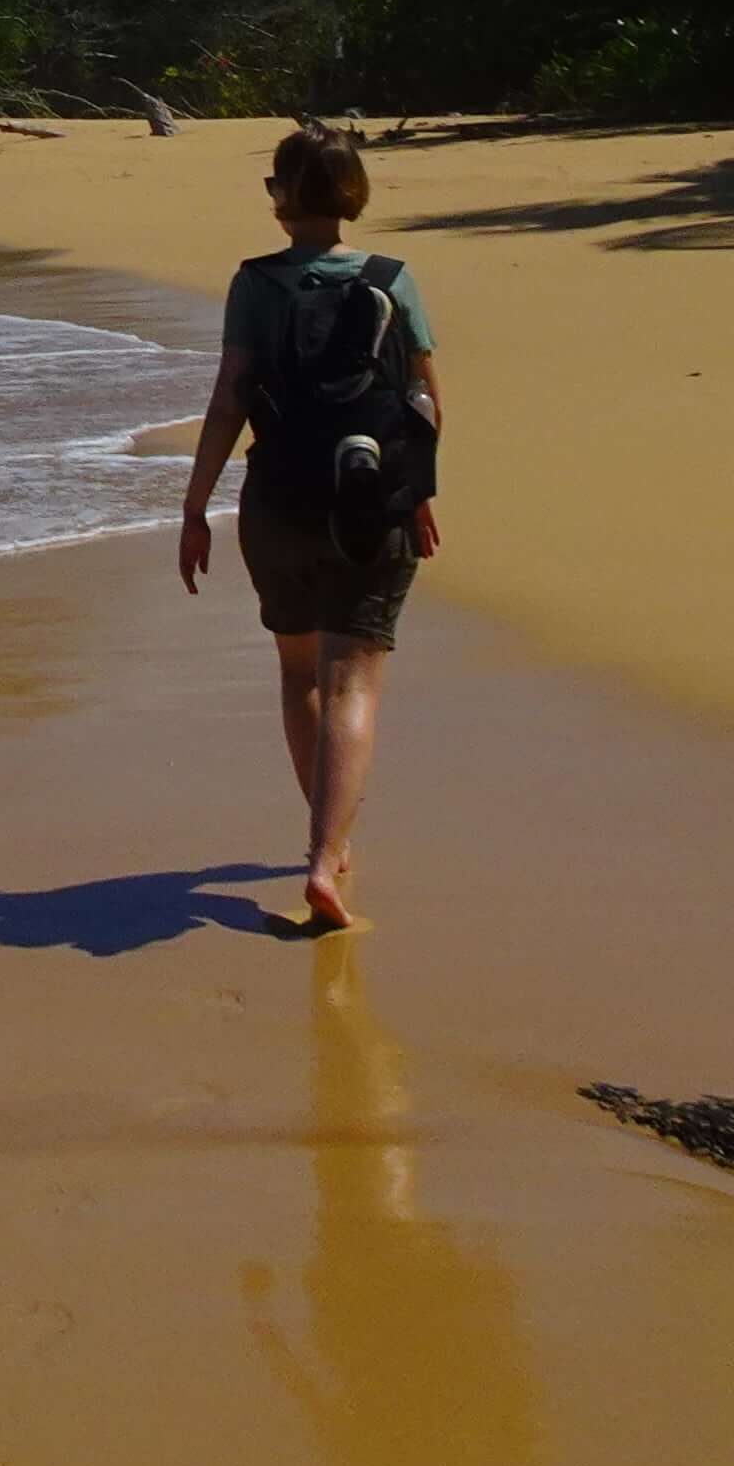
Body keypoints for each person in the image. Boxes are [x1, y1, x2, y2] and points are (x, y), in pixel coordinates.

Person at [175, 120, 441, 931]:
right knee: (351, 678)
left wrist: (195, 507)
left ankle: (325, 841)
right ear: (353, 193)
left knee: (300, 675)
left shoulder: (256, 284)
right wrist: (418, 493)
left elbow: (230, 400)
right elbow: (425, 400)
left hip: (277, 503)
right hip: (370, 499)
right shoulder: (393, 279)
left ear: (284, 200)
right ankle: (327, 857)